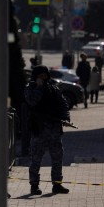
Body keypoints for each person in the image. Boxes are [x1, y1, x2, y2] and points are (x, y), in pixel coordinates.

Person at [24, 65, 70, 195]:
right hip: (39, 130)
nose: (43, 77)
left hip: (54, 130)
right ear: (36, 76)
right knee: (36, 159)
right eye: (41, 75)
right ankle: (34, 186)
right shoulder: (31, 89)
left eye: (45, 75)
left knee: (57, 158)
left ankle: (57, 185)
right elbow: (32, 101)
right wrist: (38, 87)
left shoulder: (53, 88)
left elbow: (63, 104)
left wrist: (65, 118)